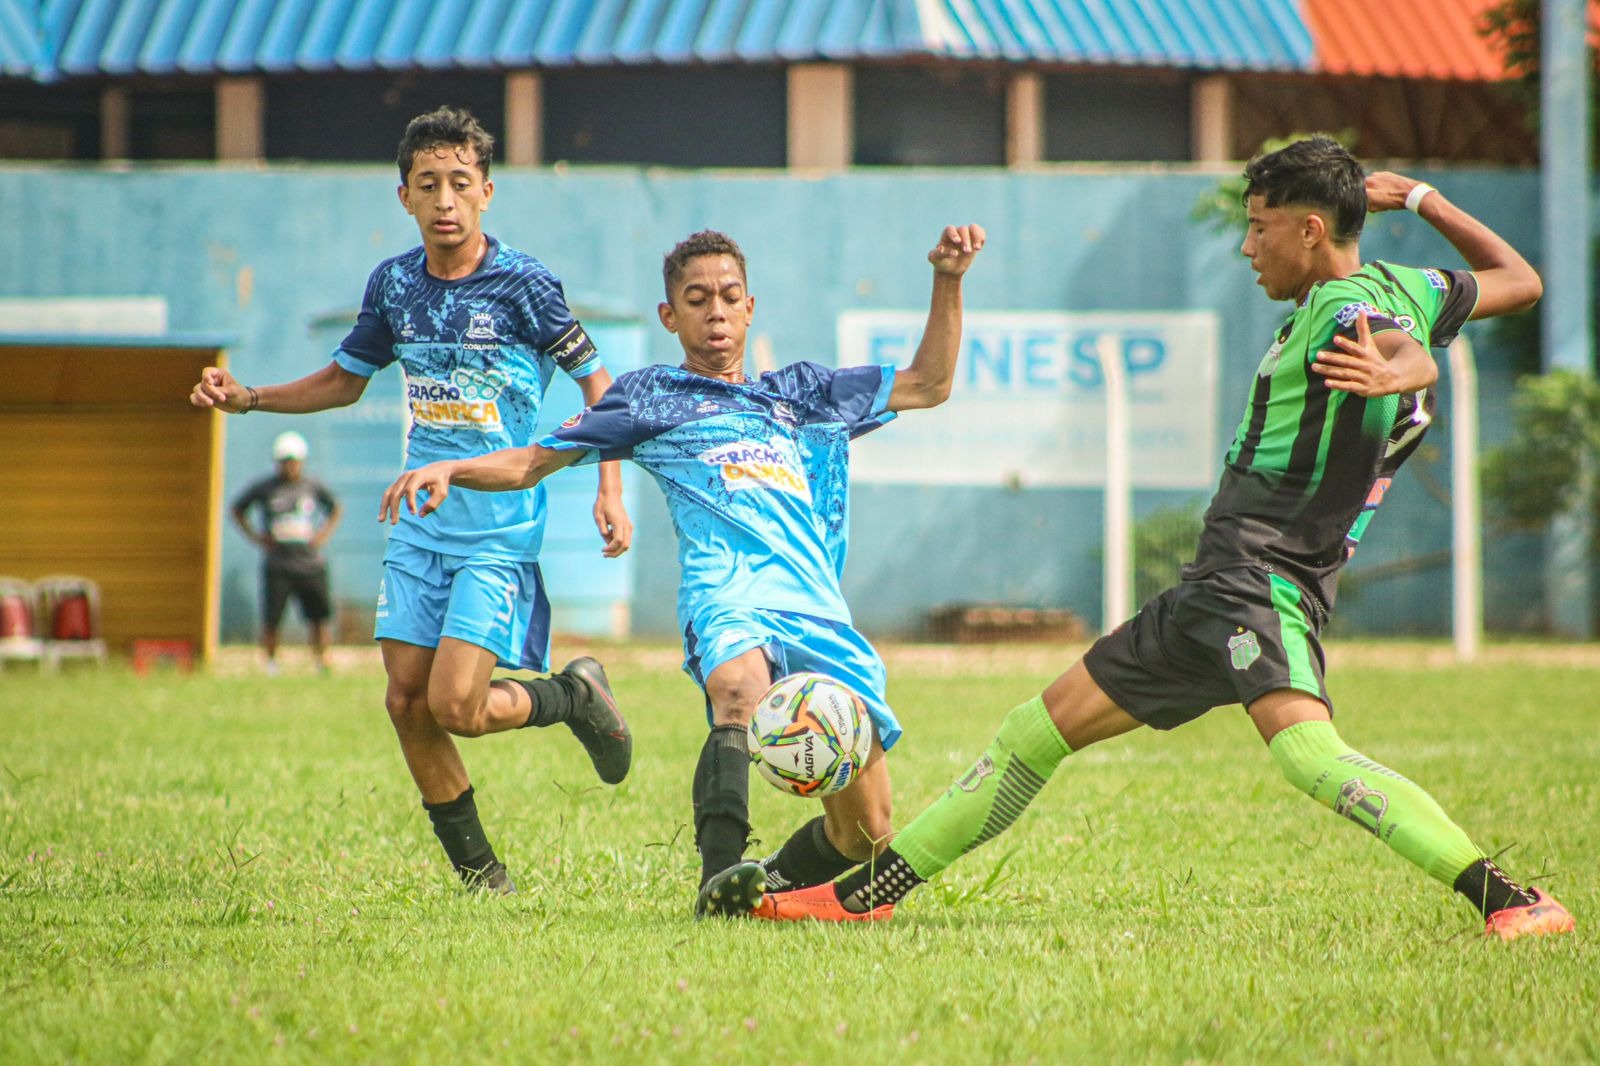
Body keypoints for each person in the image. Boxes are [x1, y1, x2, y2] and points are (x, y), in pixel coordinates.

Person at [747, 136, 1575, 940]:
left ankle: (1506, 899)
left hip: (1261, 581)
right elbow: (1522, 281)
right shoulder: (1409, 284)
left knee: (1309, 756)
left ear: (1310, 230)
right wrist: (1427, 200)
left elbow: (1393, 348)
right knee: (1033, 733)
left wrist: (1405, 368)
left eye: (1260, 226)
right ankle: (866, 897)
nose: (1248, 247)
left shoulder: (1342, 308)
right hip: (1214, 587)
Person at [380, 224, 986, 915]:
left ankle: (767, 882)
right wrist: (452, 467)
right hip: (727, 597)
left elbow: (930, 384)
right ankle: (716, 880)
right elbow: (531, 462)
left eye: (729, 296)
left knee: (866, 834)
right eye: (697, 300)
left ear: (751, 307)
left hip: (817, 609)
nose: (716, 312)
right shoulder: (649, 398)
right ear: (671, 317)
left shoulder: (807, 395)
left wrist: (948, 279)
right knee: (738, 692)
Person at [191, 106, 634, 895]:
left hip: (498, 529)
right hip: (419, 527)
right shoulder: (394, 284)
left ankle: (571, 695)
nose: (445, 201)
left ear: (487, 192)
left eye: (460, 184)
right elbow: (340, 381)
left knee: (457, 705)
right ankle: (480, 878)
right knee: (406, 702)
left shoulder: (526, 285)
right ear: (404, 196)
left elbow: (601, 388)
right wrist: (250, 397)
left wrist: (607, 486)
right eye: (428, 185)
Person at [231, 430, 342, 674]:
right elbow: (237, 509)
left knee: (318, 616)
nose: (290, 466)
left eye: (294, 461)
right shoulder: (265, 488)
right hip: (278, 563)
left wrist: (321, 537)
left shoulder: (312, 486)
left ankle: (321, 661)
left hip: (309, 563)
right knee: (272, 618)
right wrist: (257, 537)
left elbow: (335, 508)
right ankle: (271, 664)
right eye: (285, 461)